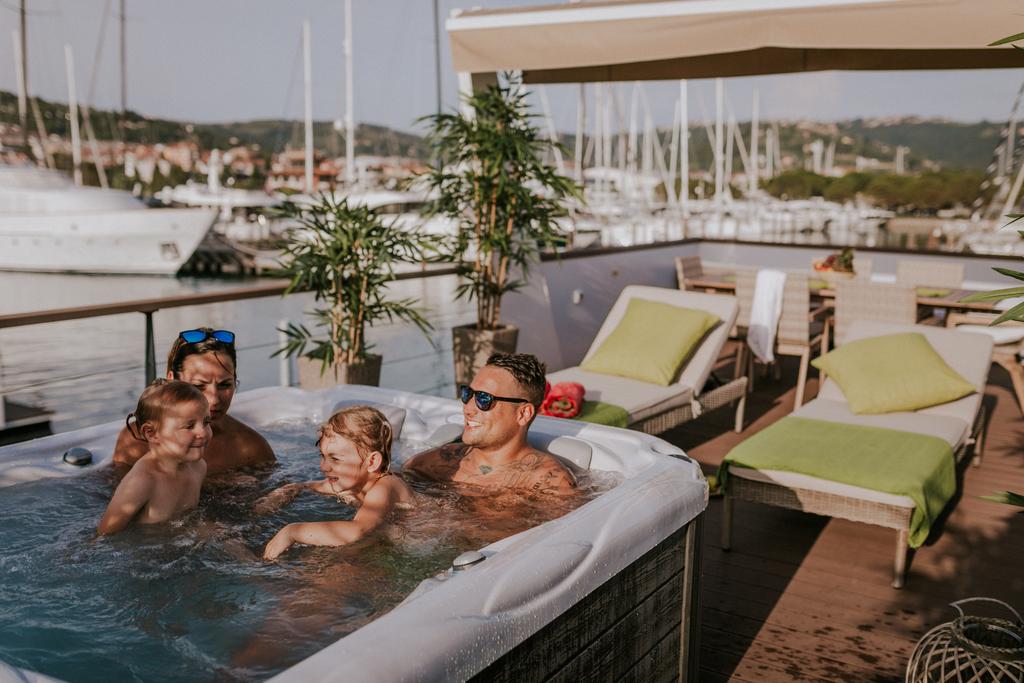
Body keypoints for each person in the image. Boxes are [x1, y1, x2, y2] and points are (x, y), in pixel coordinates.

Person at [403, 353, 576, 496]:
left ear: (523, 414)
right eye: (468, 394)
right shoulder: (432, 464)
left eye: (484, 399)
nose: (468, 408)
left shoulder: (549, 485)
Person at [112, 328, 275, 476]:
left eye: (225, 385)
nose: (214, 400)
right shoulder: (136, 441)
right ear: (171, 381)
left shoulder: (250, 449)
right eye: (198, 386)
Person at [260, 405, 414, 560]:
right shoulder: (350, 483)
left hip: (415, 540)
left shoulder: (386, 486)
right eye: (323, 456)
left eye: (335, 459)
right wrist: (278, 496)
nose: (323, 466)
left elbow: (358, 531)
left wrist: (292, 532)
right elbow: (304, 486)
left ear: (372, 461)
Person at [97, 380, 210, 535]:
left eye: (206, 422)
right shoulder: (142, 481)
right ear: (151, 433)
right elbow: (104, 536)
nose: (203, 432)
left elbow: (188, 519)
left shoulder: (198, 467)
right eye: (189, 426)